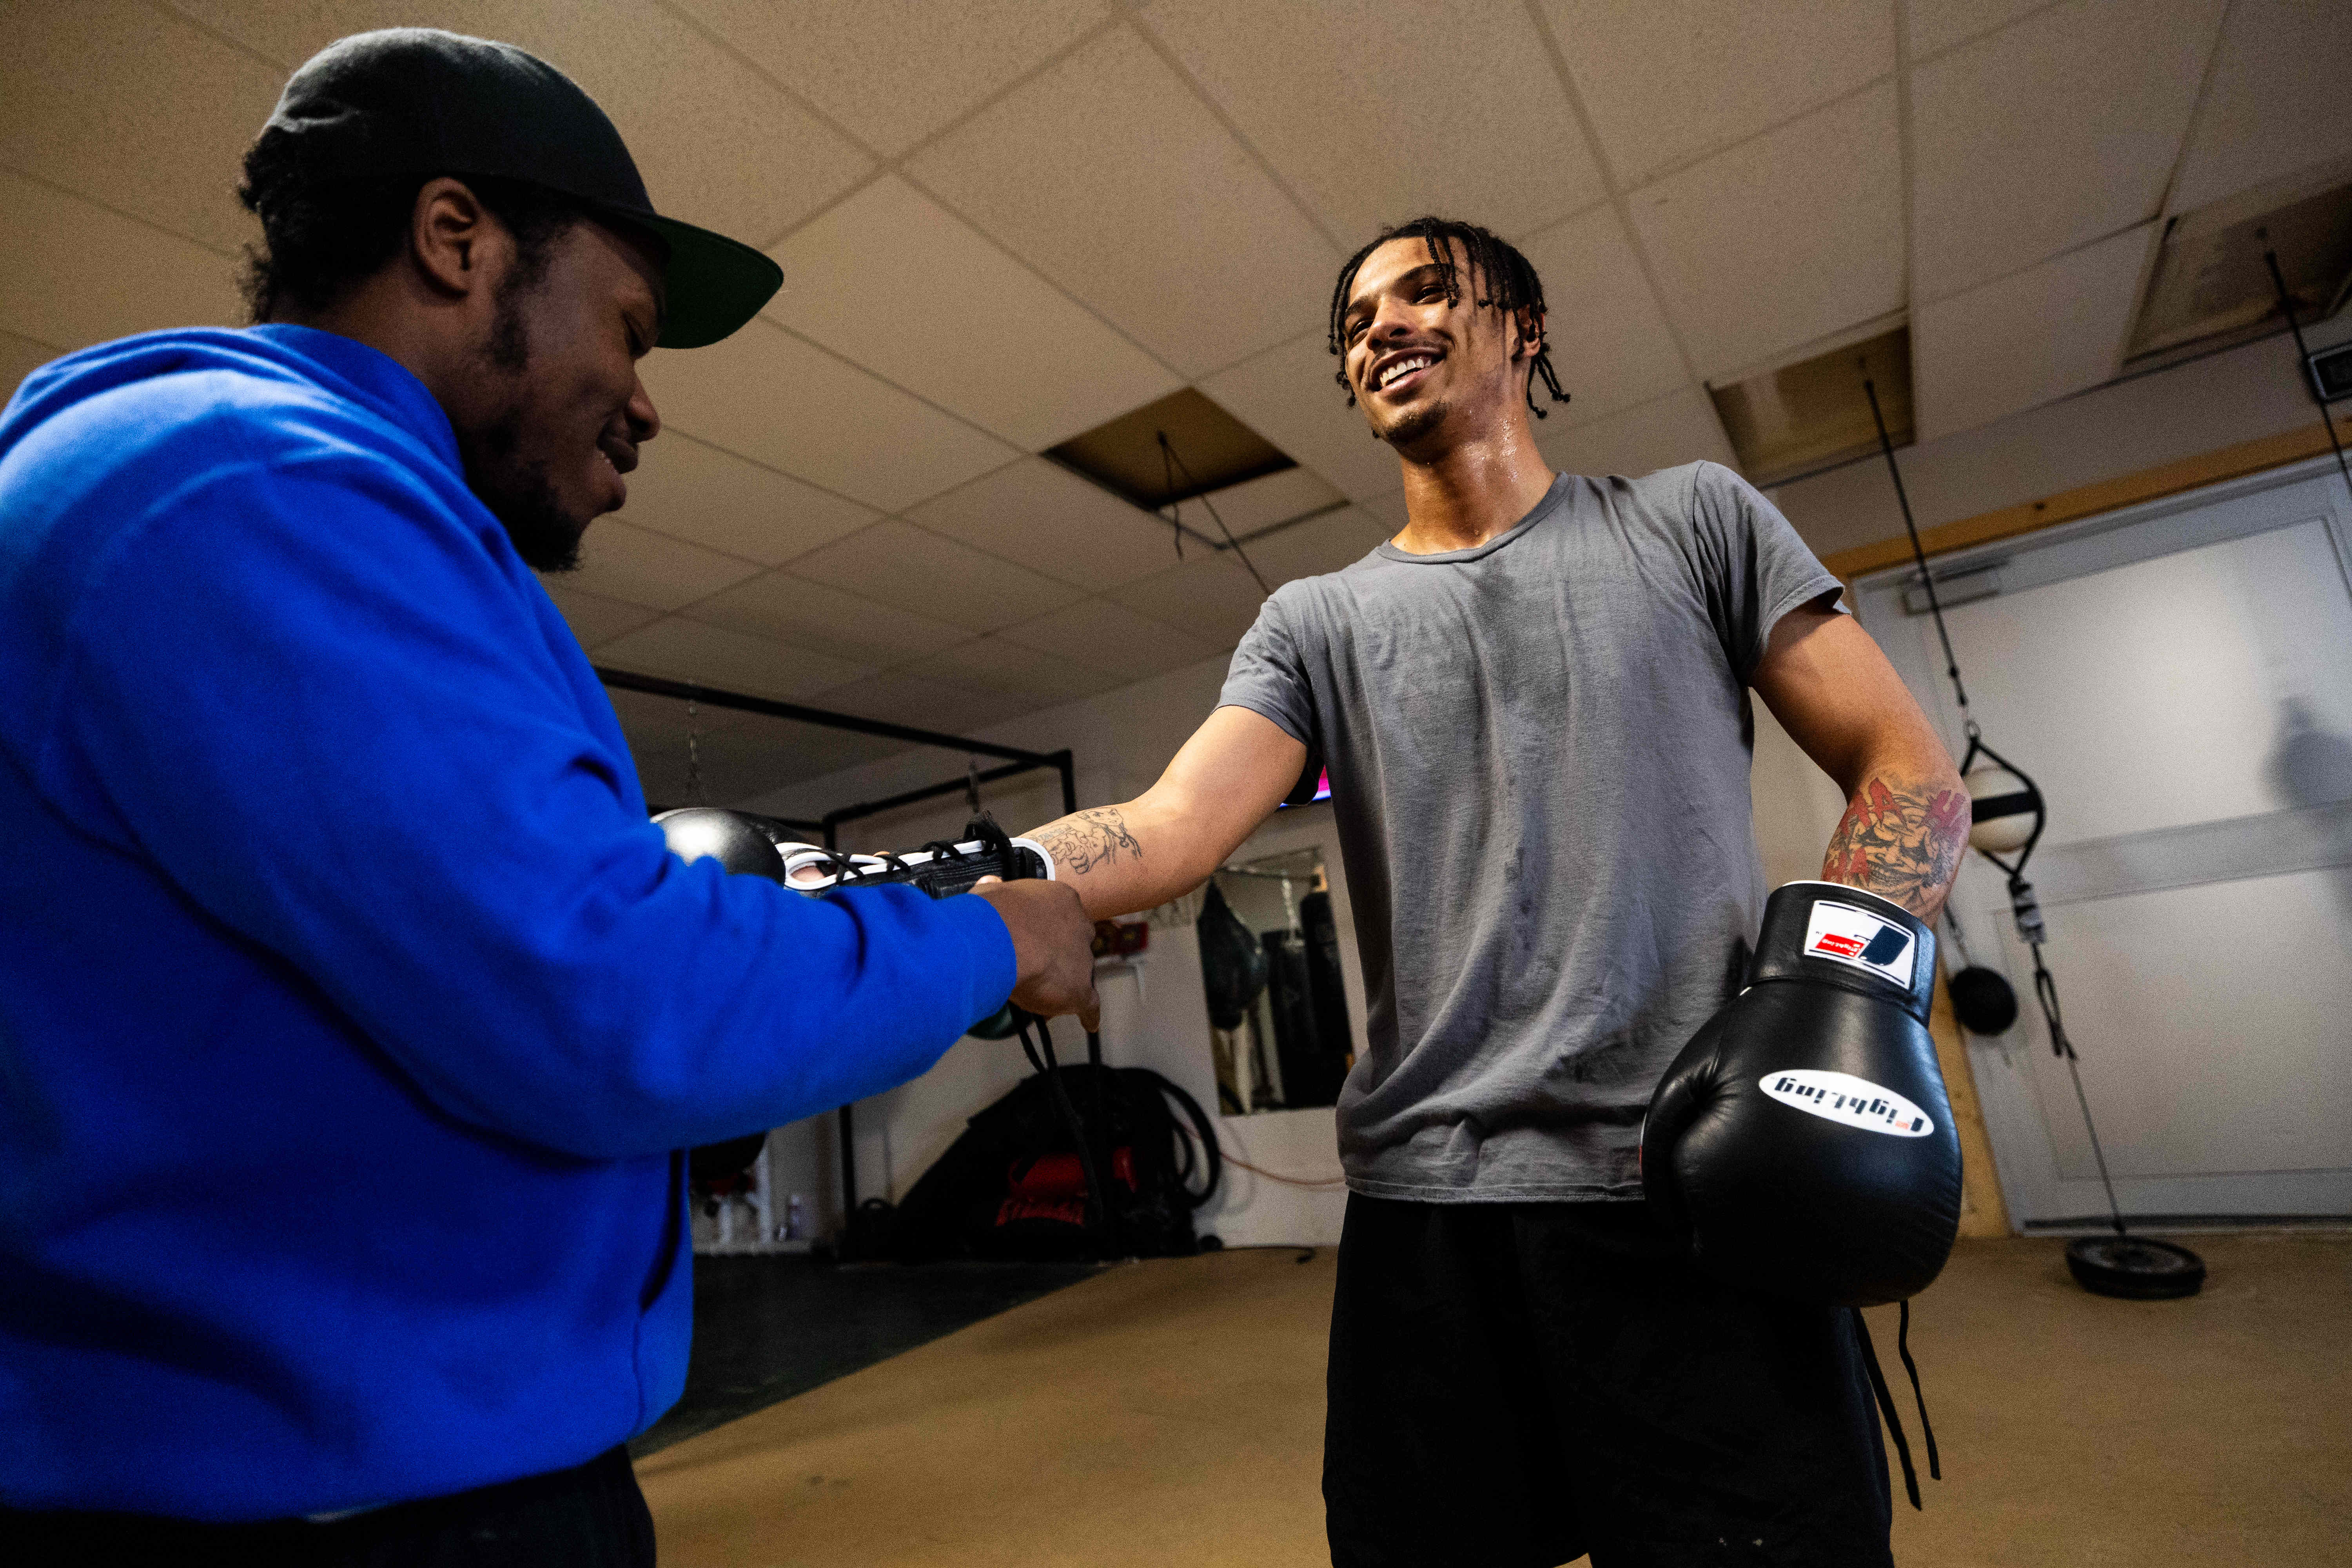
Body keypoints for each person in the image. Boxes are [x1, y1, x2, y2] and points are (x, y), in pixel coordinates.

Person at [0, 29, 1095, 1561]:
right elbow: (599, 987)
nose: (643, 402)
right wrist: (995, 942)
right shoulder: (246, 482)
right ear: (458, 241)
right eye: (632, 331)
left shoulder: (249, 494)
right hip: (336, 1509)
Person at [1020, 217, 1969, 1566]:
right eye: (1354, 323)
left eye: (1421, 292)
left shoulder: (1691, 520)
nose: (1379, 329)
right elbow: (1171, 826)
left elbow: (1910, 773)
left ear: (1522, 326)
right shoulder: (1314, 623)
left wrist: (1838, 1014)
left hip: (1693, 1190)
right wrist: (981, 876)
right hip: (1432, 1212)